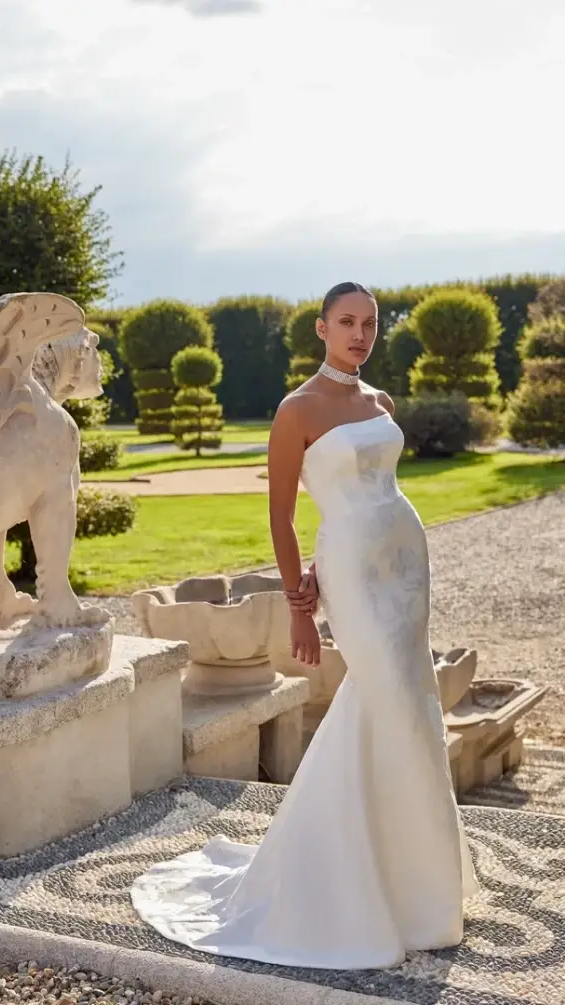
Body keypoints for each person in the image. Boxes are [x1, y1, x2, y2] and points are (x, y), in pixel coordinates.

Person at [131, 281, 479, 970]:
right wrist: (299, 604)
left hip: (405, 563)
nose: (361, 333)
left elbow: (381, 489)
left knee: (410, 706)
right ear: (321, 328)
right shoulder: (297, 409)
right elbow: (284, 517)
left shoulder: (379, 401)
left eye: (371, 323)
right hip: (352, 569)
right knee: (384, 700)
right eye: (347, 322)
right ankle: (341, 880)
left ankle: (417, 887)